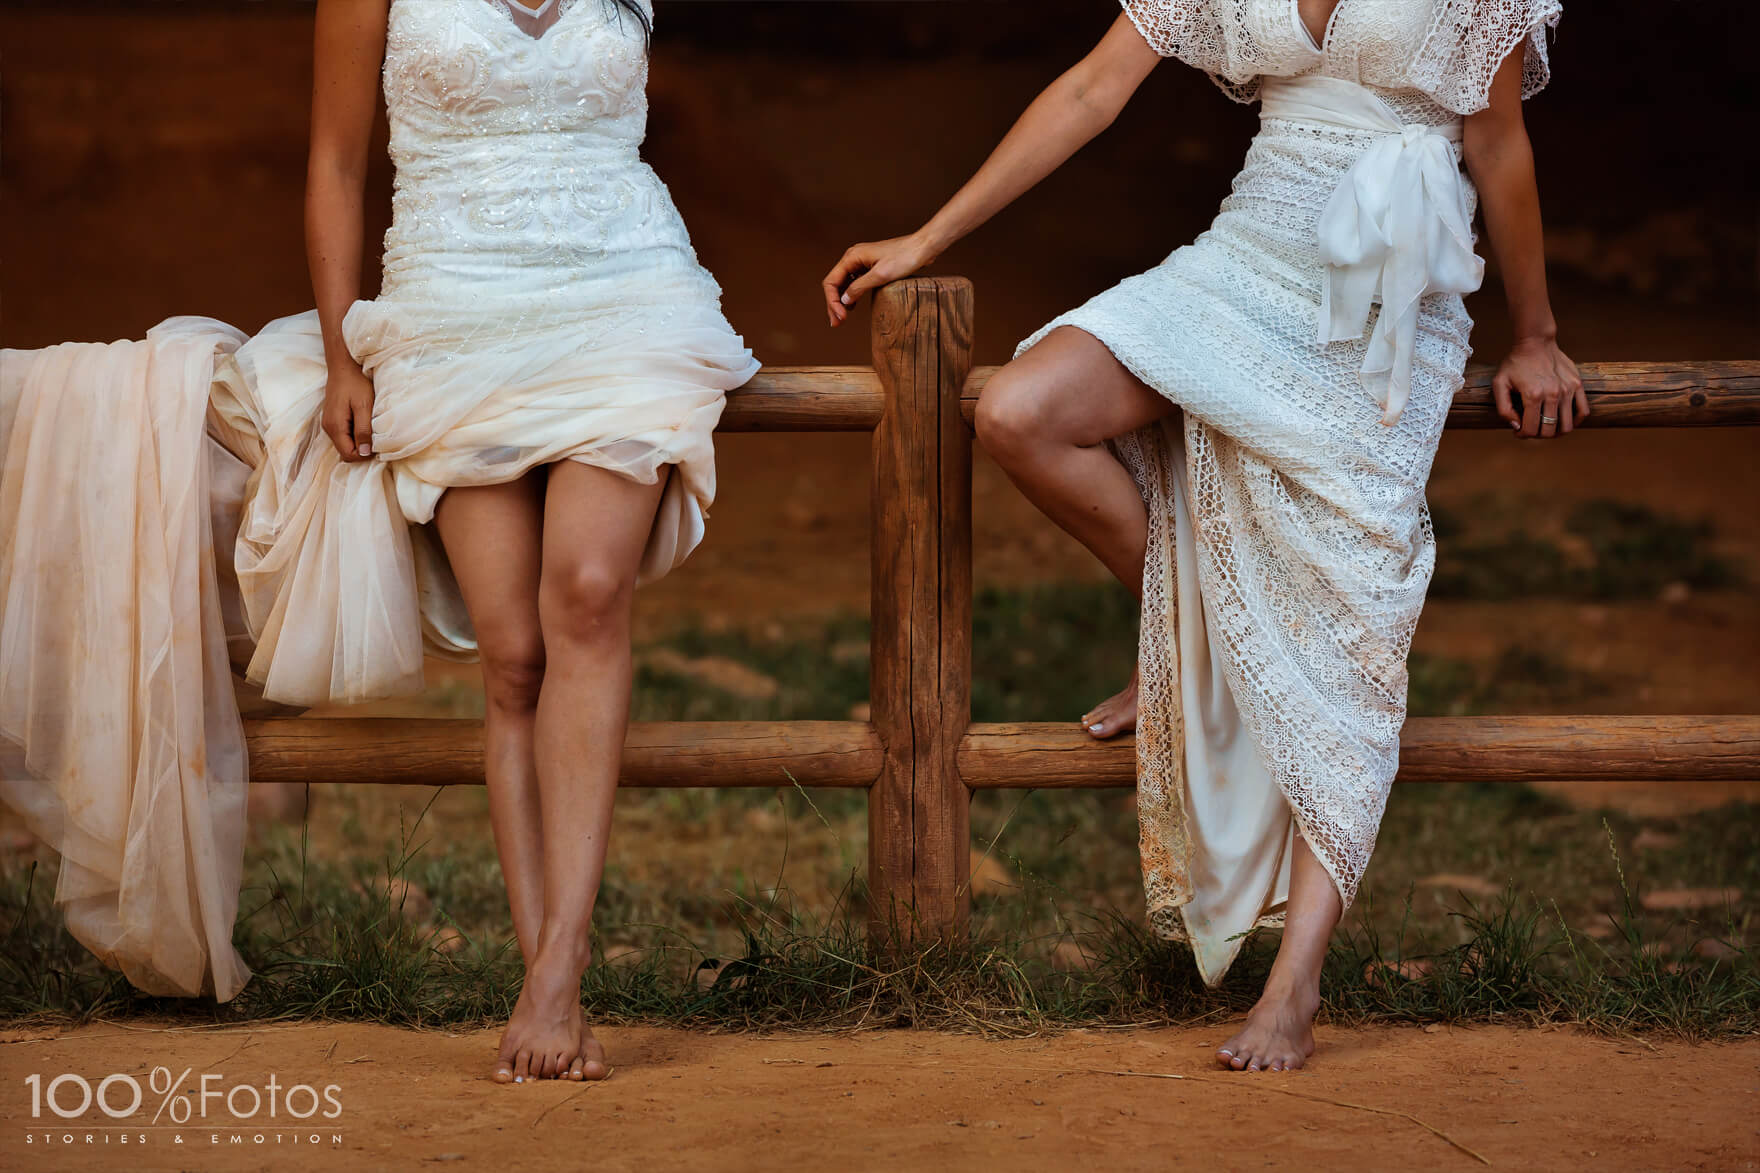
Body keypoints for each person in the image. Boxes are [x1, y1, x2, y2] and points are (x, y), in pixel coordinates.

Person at [0, 0, 757, 1084]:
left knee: (587, 592)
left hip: (627, 295)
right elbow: (335, 166)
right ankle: (541, 967)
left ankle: (559, 974)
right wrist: (348, 347)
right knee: (512, 656)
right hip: (448, 311)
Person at [823, 0, 1576, 1072]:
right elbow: (1090, 90)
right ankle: (1184, 637)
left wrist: (1536, 335)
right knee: (1020, 412)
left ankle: (1294, 984)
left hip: (1379, 311)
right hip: (1240, 263)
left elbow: (1497, 143)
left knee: (1346, 618)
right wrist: (928, 236)